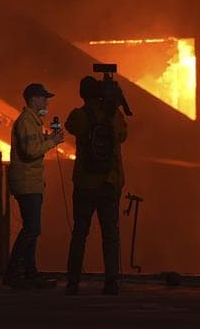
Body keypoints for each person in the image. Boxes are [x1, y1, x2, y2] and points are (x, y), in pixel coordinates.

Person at [64, 75, 128, 295]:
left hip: (85, 184)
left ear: (82, 94)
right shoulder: (115, 116)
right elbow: (123, 135)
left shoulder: (79, 116)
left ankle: (73, 282)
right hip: (109, 183)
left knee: (80, 232)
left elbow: (69, 126)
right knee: (110, 233)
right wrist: (111, 105)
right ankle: (110, 282)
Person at [2, 82, 63, 289]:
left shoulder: (33, 122)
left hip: (31, 182)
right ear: (34, 99)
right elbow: (30, 151)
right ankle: (13, 273)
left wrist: (46, 139)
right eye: (44, 97)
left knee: (32, 230)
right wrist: (52, 142)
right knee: (32, 229)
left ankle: (29, 273)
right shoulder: (27, 122)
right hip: (27, 182)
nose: (46, 101)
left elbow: (32, 146)